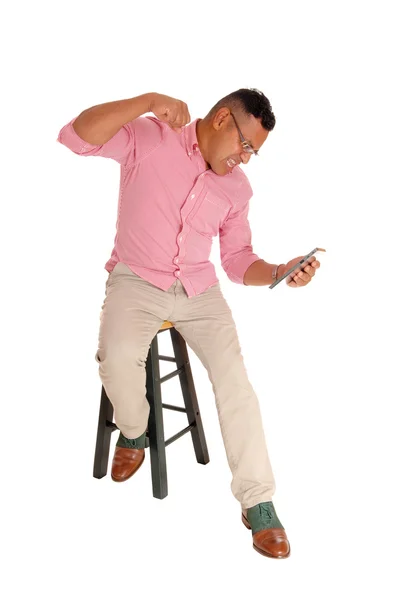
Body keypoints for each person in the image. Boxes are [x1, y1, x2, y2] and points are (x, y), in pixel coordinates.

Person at [57, 88, 321, 559]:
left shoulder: (237, 189)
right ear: (222, 119)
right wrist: (144, 100)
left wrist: (281, 271)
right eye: (246, 145)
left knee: (236, 383)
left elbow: (239, 262)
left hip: (200, 293)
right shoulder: (152, 139)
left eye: (254, 152)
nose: (246, 158)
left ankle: (257, 502)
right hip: (136, 280)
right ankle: (134, 430)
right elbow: (76, 137)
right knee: (116, 359)